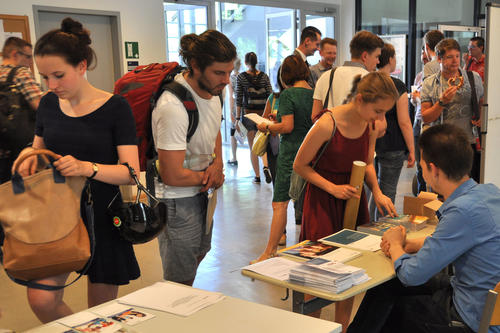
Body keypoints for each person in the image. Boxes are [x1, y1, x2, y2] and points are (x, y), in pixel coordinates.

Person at [13, 17, 141, 323]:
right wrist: (30, 154)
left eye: (59, 75)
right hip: (57, 213)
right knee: (42, 299)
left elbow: (131, 173)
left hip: (101, 217)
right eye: (44, 77)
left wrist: (87, 168)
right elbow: (38, 147)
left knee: (99, 315)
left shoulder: (115, 107)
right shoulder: (47, 104)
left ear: (82, 66)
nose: (52, 85)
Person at [347, 124, 500, 333]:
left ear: (433, 170)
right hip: (485, 302)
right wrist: (409, 244)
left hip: (472, 318)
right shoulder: (489, 193)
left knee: (393, 309)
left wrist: (394, 245)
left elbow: (412, 274)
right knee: (388, 287)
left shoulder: (461, 211)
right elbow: (462, 240)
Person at [294, 72, 399, 331]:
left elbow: (368, 162)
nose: (380, 118)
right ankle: (313, 327)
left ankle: (342, 326)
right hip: (323, 199)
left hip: (352, 199)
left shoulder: (370, 125)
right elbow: (300, 165)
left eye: (385, 112)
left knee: (352, 268)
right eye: (378, 110)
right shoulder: (326, 123)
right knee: (318, 270)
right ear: (360, 99)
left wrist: (376, 190)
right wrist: (332, 188)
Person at [152, 30, 236, 286]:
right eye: (219, 73)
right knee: (179, 278)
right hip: (176, 201)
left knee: (199, 253)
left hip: (202, 193)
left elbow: (214, 133)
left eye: (229, 73)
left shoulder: (215, 92)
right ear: (196, 66)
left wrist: (218, 164)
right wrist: (208, 176)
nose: (226, 81)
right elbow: (172, 174)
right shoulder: (172, 107)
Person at [252, 54, 314, 262]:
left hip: (290, 153)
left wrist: (267, 126)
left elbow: (287, 127)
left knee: (280, 204)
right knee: (308, 203)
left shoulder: (287, 96)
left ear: (285, 75)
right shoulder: (313, 94)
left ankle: (269, 251)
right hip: (311, 152)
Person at [421, 38, 483, 183]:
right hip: (441, 144)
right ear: (439, 59)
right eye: (449, 57)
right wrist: (441, 102)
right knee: (443, 187)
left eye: (457, 56)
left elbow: (481, 102)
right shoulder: (430, 83)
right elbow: (425, 117)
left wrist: (481, 117)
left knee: (468, 185)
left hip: (467, 142)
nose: (455, 61)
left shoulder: (473, 78)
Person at [369, 43, 415, 220]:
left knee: (372, 190)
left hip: (370, 143)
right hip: (392, 145)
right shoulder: (396, 85)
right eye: (395, 57)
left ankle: (369, 226)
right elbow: (404, 122)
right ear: (389, 59)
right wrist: (411, 149)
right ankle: (381, 231)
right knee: (387, 191)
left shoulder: (368, 82)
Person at [312, 30, 384, 120]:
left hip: (330, 131)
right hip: (358, 132)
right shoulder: (372, 81)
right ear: (365, 56)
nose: (378, 61)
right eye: (376, 56)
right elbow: (377, 121)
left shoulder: (326, 76)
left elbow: (315, 116)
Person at [0, 37, 43, 184]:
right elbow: (41, 107)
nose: (30, 61)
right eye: (28, 56)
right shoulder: (20, 73)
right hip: (21, 148)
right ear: (14, 54)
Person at [235, 52, 273, 184]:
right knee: (262, 142)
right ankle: (266, 166)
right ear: (257, 62)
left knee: (253, 147)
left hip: (249, 114)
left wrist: (237, 118)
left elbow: (239, 99)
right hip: (263, 114)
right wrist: (270, 114)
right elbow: (271, 95)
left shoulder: (241, 77)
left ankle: (257, 176)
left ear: (246, 63)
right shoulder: (264, 77)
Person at [411, 45, 430, 194]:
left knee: (429, 164)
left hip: (429, 122)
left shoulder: (436, 76)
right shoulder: (419, 75)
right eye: (421, 52)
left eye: (425, 52)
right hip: (418, 121)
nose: (423, 56)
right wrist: (414, 99)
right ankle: (420, 197)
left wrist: (418, 100)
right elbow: (415, 101)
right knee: (420, 166)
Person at [227, 57, 241, 166]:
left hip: (236, 107)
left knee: (232, 132)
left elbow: (231, 96)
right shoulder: (243, 76)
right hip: (244, 107)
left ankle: (234, 157)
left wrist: (231, 111)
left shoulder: (231, 78)